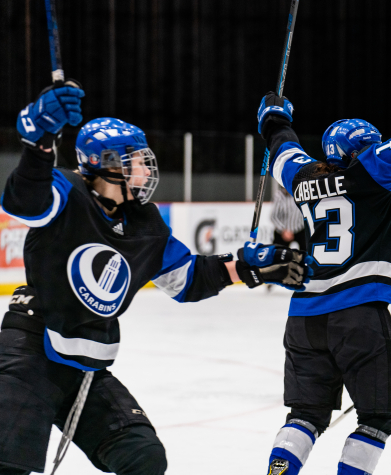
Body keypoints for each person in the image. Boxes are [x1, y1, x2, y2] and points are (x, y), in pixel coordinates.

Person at [0, 81, 311, 475]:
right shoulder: (67, 192)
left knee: (143, 456)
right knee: (7, 463)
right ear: (108, 163)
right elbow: (24, 201)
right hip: (29, 351)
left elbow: (189, 279)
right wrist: (40, 142)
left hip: (85, 370)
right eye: (137, 160)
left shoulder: (147, 225)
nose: (148, 168)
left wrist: (247, 268)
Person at [256, 44, 391, 475]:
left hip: (304, 319)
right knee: (378, 418)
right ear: (359, 151)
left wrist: (275, 118)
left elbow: (282, 150)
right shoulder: (370, 171)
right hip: (359, 318)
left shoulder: (305, 176)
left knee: (304, 417)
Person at [271, 185, 306, 250]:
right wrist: (284, 231)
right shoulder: (279, 196)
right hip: (282, 231)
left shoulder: (301, 194)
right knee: (277, 253)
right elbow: (274, 217)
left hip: (299, 229)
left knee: (307, 252)